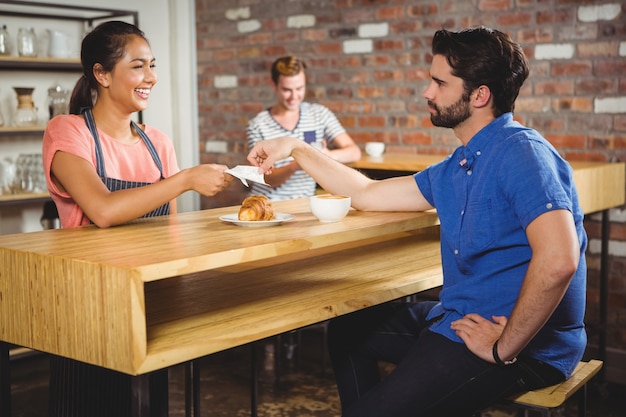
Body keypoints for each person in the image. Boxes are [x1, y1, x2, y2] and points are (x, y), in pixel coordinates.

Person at [247, 27, 587, 417]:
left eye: (439, 82)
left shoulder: (523, 154)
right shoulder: (458, 166)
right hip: (461, 318)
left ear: (479, 95)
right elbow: (366, 194)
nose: (427, 92)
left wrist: (504, 345)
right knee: (347, 330)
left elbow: (560, 259)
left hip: (519, 343)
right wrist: (294, 147)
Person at [42, 21, 232, 416]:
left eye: (153, 65)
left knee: (147, 407)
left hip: (148, 301)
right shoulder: (68, 132)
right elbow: (103, 210)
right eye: (138, 66)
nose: (151, 77)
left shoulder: (157, 142)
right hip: (85, 305)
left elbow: (171, 232)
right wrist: (183, 180)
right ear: (102, 74)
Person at [246, 55, 361, 201]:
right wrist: (298, 162)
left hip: (304, 205)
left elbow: (354, 152)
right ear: (273, 85)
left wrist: (325, 155)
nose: (294, 96)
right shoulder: (257, 125)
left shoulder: (319, 114)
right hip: (268, 205)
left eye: (299, 88)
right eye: (287, 90)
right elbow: (266, 179)